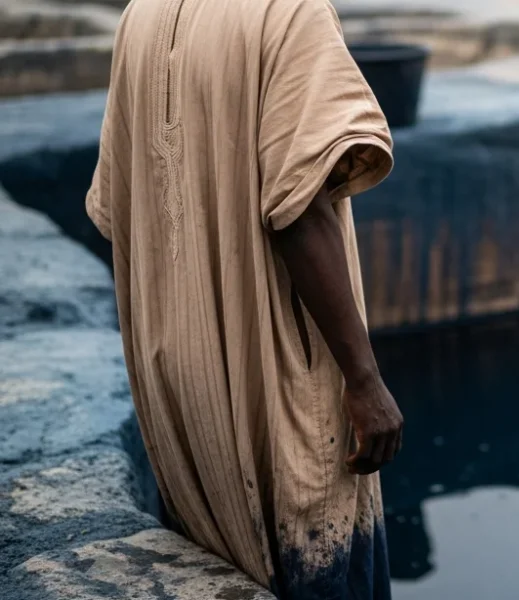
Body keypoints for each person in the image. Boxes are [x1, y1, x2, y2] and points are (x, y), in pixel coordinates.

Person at [84, 0, 404, 596]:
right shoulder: (292, 13)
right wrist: (364, 380)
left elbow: (115, 205)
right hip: (277, 390)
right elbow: (298, 211)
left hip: (179, 384)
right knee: (318, 564)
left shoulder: (141, 14)